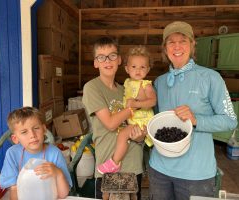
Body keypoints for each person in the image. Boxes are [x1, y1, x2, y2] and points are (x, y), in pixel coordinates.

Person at [149, 21, 238, 200]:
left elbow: (230, 120)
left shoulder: (211, 78)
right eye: (171, 42)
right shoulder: (159, 82)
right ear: (165, 48)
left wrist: (196, 119)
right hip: (159, 169)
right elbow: (154, 119)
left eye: (183, 40)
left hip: (196, 173)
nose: (177, 46)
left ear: (192, 45)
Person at [82, 37, 147, 200]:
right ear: (96, 63)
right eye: (101, 57)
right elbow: (110, 124)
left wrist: (140, 137)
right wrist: (134, 106)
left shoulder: (125, 89)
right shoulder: (92, 87)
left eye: (112, 55)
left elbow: (134, 122)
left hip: (133, 163)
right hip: (108, 166)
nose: (107, 61)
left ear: (119, 60)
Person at [97, 45, 156, 174]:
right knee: (124, 135)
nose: (138, 70)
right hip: (133, 120)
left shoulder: (146, 85)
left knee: (123, 135)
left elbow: (153, 101)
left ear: (148, 69)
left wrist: (137, 103)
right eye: (134, 67)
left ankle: (114, 162)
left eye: (142, 67)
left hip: (142, 121)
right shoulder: (126, 83)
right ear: (127, 69)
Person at [0, 107, 72, 200]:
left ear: (44, 129)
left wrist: (58, 173)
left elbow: (63, 194)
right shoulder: (12, 154)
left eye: (36, 128)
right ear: (15, 138)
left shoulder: (54, 153)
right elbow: (14, 190)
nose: (32, 135)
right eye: (24, 132)